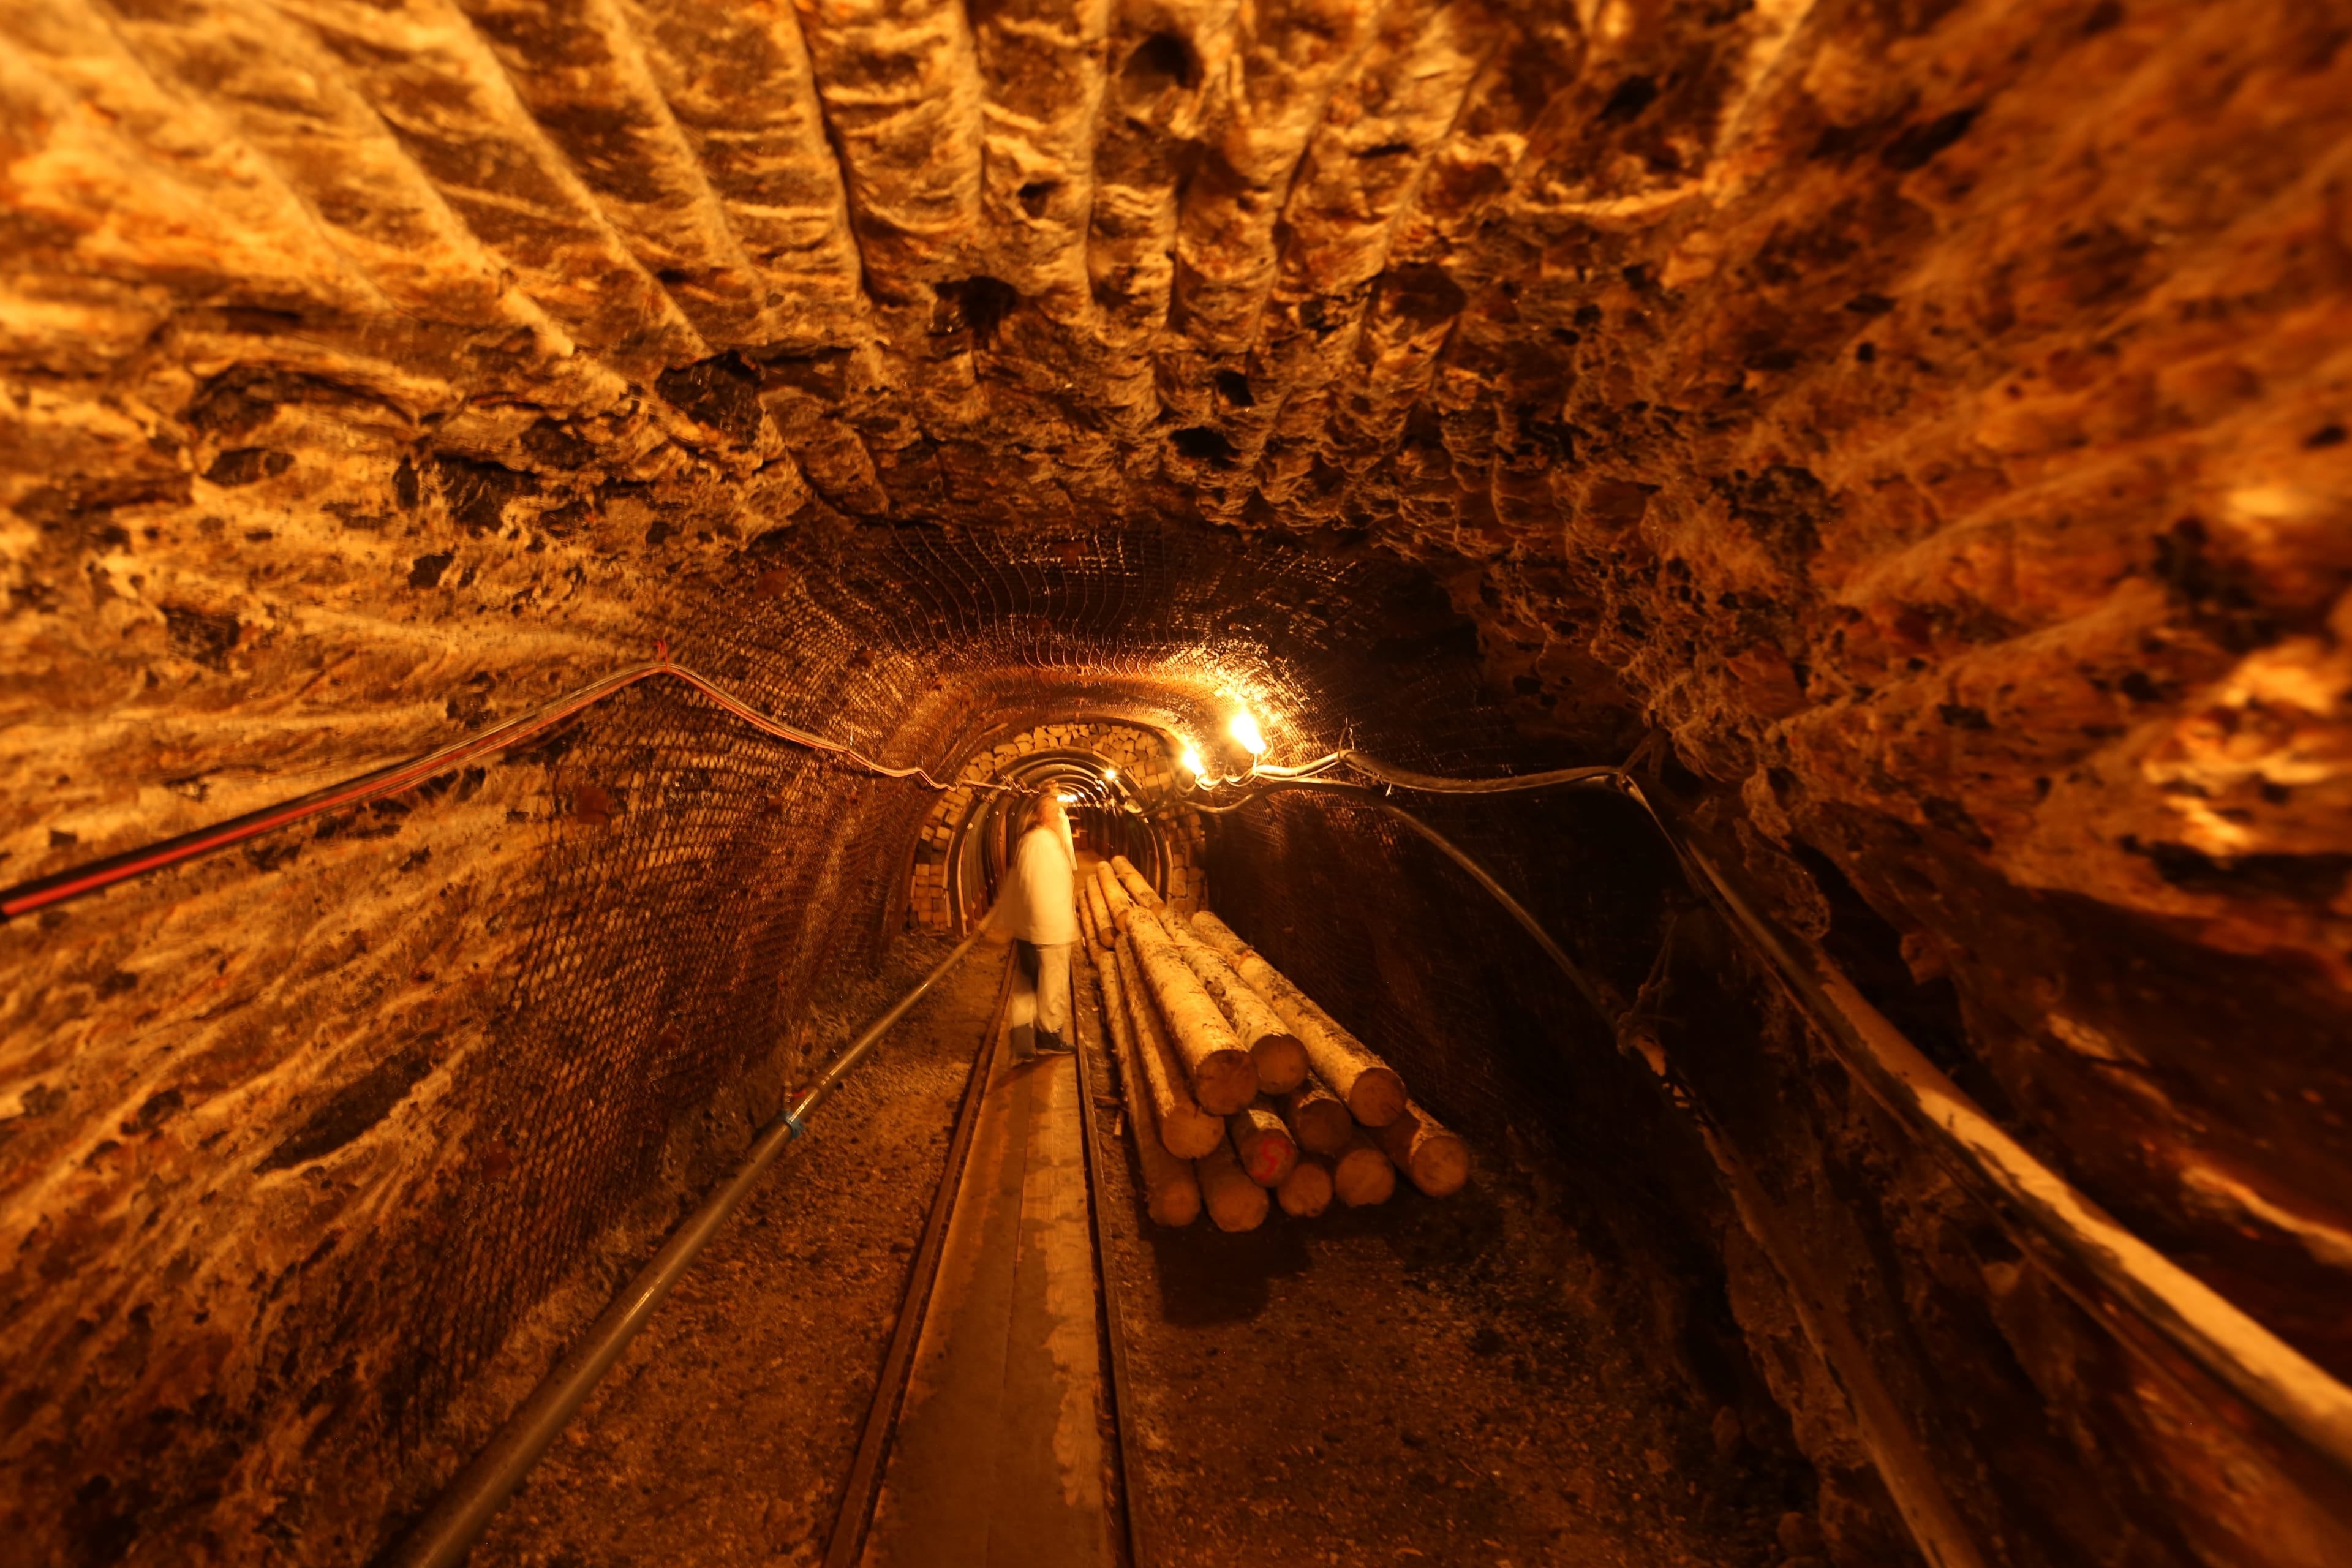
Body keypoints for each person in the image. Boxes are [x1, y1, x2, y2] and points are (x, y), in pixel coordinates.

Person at [983, 791, 1078, 1061]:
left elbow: (1020, 885)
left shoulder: (1032, 841)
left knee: (1029, 984)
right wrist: (1054, 927)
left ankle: (1024, 1038)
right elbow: (1036, 888)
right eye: (1054, 810)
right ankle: (1048, 1036)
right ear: (1041, 815)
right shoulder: (1042, 844)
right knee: (1050, 985)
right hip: (1048, 930)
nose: (1059, 815)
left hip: (1033, 928)